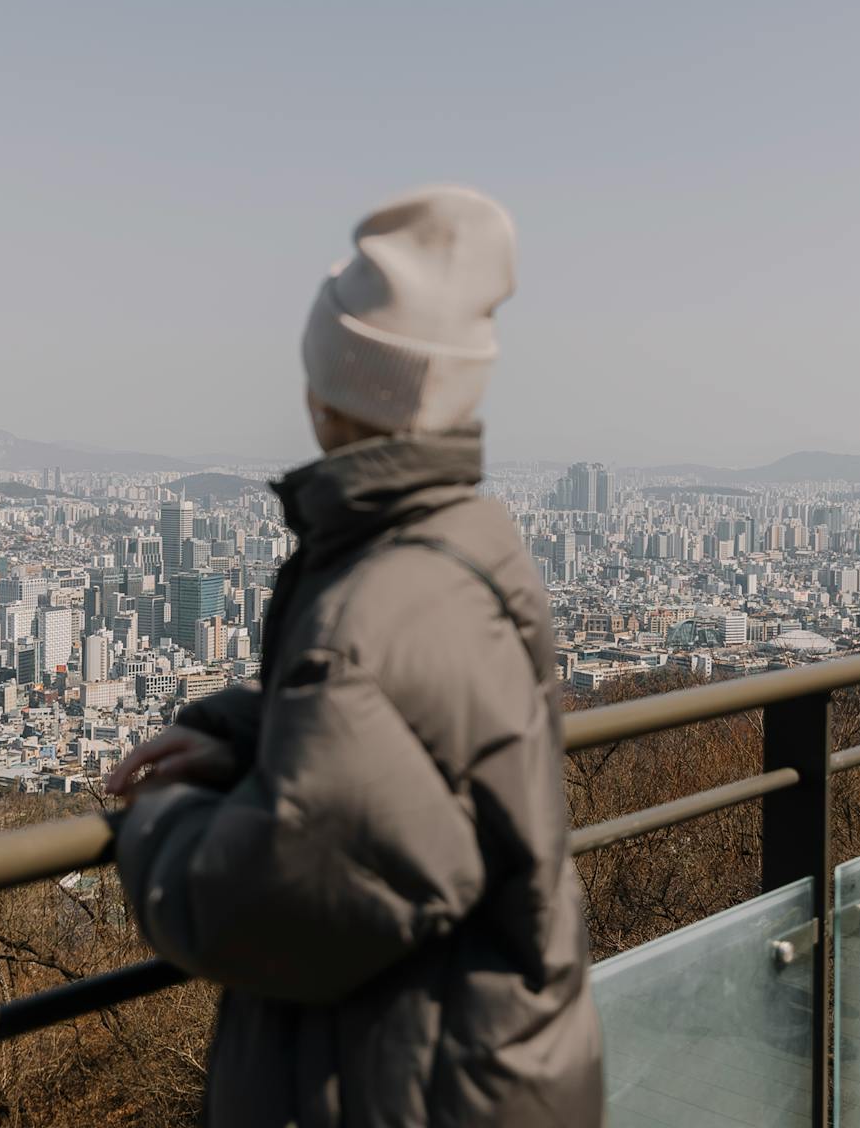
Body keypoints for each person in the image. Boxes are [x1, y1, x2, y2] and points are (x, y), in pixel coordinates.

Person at [108, 186, 603, 1127]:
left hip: (416, 1085)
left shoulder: (371, 606)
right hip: (486, 1058)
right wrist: (254, 739)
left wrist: (158, 819)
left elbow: (277, 899)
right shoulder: (472, 539)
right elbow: (418, 748)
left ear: (329, 392)